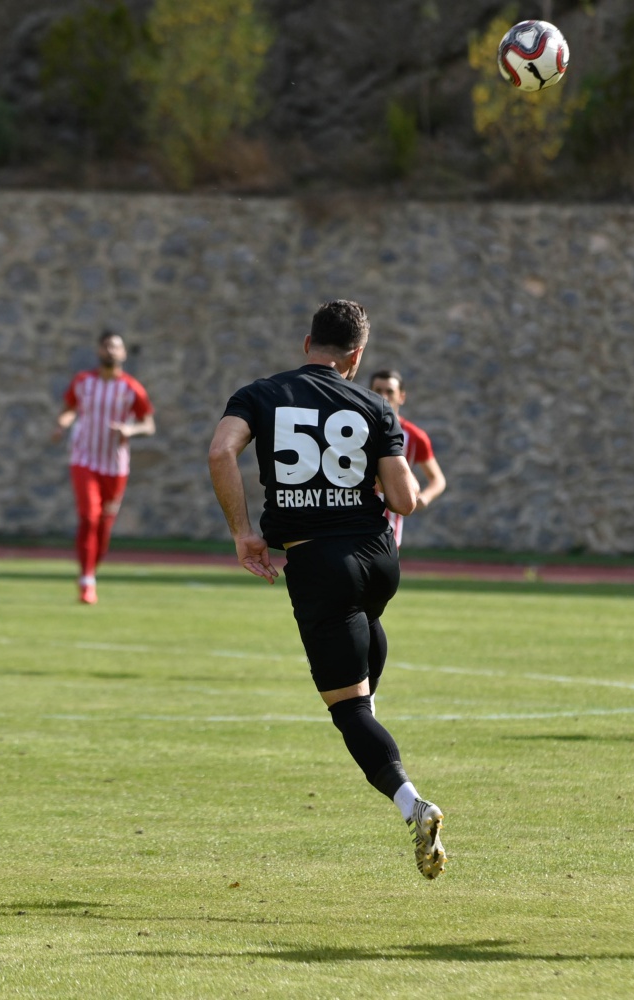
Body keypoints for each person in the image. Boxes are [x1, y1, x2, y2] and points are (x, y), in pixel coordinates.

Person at [207, 300, 447, 880]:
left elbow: (220, 451)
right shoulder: (375, 405)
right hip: (379, 558)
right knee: (365, 622)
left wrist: (243, 533)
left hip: (319, 562)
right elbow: (405, 500)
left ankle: (413, 804)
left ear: (306, 342)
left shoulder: (261, 394)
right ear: (356, 355)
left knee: (349, 711)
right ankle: (371, 706)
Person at [53, 330, 155, 605]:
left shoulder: (132, 388)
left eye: (116, 347)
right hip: (84, 459)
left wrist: (130, 430)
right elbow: (69, 409)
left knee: (104, 527)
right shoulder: (83, 382)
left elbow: (148, 424)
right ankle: (87, 581)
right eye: (106, 346)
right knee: (89, 517)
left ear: (124, 353)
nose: (111, 351)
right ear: (99, 351)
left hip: (115, 465)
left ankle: (90, 572)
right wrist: (62, 424)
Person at [368, 369, 447, 548]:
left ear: (401, 397)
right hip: (354, 521)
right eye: (378, 390)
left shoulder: (414, 436)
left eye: (390, 391)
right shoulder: (354, 428)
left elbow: (438, 479)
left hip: (389, 528)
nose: (383, 396)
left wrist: (424, 498)